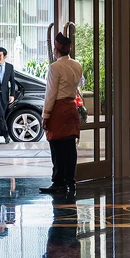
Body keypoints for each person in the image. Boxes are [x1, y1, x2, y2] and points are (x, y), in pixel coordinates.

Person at [41, 31, 84, 199]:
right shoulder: (77, 65)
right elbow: (81, 83)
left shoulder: (55, 67)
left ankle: (58, 182)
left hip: (58, 108)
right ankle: (70, 180)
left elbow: (50, 93)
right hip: (71, 107)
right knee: (69, 147)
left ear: (56, 50)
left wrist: (46, 115)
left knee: (56, 146)